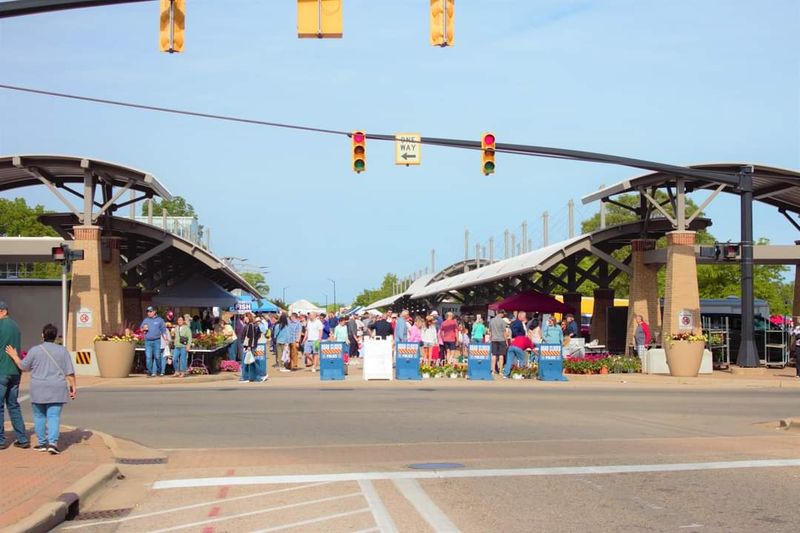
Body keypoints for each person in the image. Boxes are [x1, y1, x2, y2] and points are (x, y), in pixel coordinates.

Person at [5, 324, 75, 454]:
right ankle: (53, 443)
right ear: (55, 336)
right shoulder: (63, 351)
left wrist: (14, 355)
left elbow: (23, 366)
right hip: (57, 388)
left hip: (39, 388)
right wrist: (73, 387)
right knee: (53, 416)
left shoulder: (35, 350)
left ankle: (42, 443)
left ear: (43, 335)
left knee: (39, 416)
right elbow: (70, 372)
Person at [0, 300, 29, 450]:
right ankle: (22, 438)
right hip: (14, 372)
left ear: (4, 311)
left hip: (1, 371)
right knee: (13, 406)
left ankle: (0, 440)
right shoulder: (16, 327)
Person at [140, 306, 167, 377]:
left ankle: (159, 370)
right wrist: (143, 329)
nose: (149, 313)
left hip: (157, 341)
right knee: (148, 357)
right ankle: (149, 371)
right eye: (148, 312)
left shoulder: (160, 320)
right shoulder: (145, 320)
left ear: (154, 312)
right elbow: (141, 329)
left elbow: (163, 331)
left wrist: (166, 340)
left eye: (150, 311)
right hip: (148, 341)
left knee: (157, 356)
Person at [489, 310, 508, 375]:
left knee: (494, 355)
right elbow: (504, 332)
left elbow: (490, 332)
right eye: (503, 314)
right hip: (501, 339)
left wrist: (490, 339)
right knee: (501, 355)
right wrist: (506, 341)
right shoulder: (502, 321)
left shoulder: (491, 321)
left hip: (494, 339)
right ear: (501, 314)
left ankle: (493, 370)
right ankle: (500, 371)